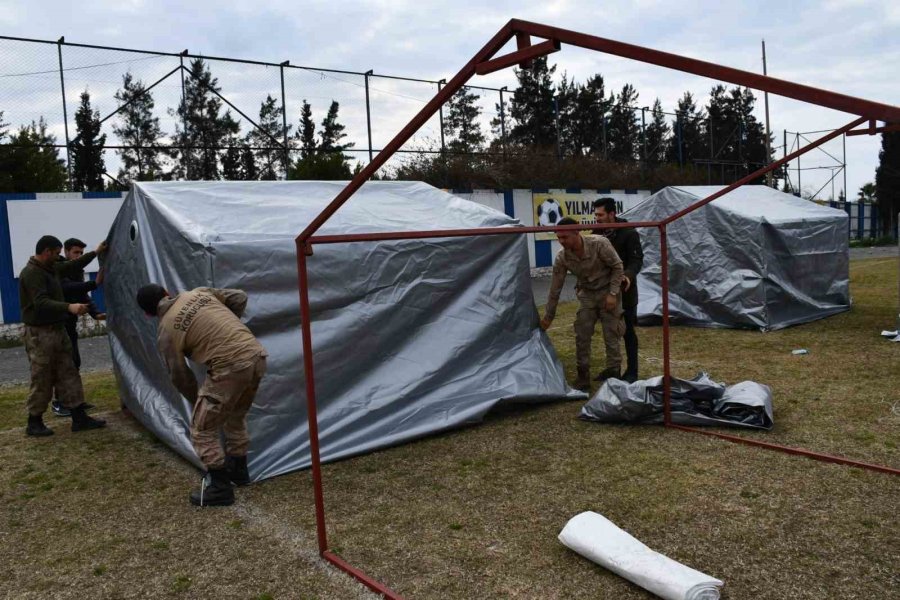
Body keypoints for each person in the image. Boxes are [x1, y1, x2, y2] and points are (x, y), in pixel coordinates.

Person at [136, 284, 267, 507]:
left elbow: (179, 375)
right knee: (234, 415)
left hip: (230, 366)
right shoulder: (197, 293)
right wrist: (228, 325)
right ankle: (239, 470)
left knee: (202, 429)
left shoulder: (166, 331)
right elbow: (239, 296)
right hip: (256, 355)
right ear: (167, 293)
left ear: (149, 314)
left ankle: (220, 488)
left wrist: (197, 400)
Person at [19, 235, 107, 436]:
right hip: (40, 333)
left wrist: (96, 252)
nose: (60, 258)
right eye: (57, 253)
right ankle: (34, 421)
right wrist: (70, 307)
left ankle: (78, 417)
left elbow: (72, 266)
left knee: (69, 372)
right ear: (47, 252)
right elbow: (40, 302)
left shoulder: (51, 269)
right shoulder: (32, 273)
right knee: (42, 377)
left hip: (57, 330)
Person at [540, 217, 625, 392]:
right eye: (559, 237)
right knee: (582, 334)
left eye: (565, 237)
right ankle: (583, 376)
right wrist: (548, 317)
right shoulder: (562, 257)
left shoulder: (599, 243)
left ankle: (614, 374)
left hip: (607, 291)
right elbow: (555, 288)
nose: (561, 241)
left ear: (576, 233)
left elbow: (617, 266)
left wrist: (613, 294)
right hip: (587, 294)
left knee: (612, 334)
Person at [50, 238, 105, 417]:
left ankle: (75, 401)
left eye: (81, 253)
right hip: (58, 324)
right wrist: (94, 283)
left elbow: (81, 294)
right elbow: (67, 288)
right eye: (76, 252)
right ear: (66, 252)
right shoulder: (58, 267)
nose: (79, 256)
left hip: (70, 323)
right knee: (63, 364)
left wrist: (95, 313)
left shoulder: (76, 270)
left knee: (74, 362)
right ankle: (59, 402)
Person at [593, 198, 644, 383]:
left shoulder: (629, 233)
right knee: (609, 331)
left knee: (628, 331)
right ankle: (613, 370)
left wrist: (627, 276)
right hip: (603, 290)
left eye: (600, 215)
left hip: (626, 290)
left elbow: (636, 260)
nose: (597, 218)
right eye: (596, 214)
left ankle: (632, 372)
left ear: (612, 214)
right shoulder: (597, 232)